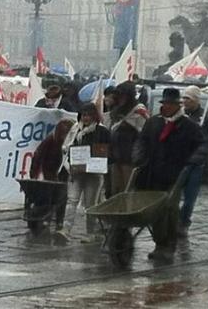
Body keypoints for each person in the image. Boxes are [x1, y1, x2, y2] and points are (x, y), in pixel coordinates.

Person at [133, 88, 203, 260]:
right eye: (166, 104)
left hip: (175, 174)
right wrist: (138, 157)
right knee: (156, 211)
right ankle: (159, 243)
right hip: (152, 172)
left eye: (171, 104)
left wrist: (192, 162)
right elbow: (142, 141)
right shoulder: (153, 123)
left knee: (169, 210)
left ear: (177, 105)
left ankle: (168, 245)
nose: (168, 107)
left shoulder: (188, 126)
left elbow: (200, 147)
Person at [61, 103, 110, 242]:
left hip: (94, 175)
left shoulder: (103, 131)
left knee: (90, 204)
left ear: (94, 116)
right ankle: (66, 229)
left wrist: (99, 162)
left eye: (89, 115)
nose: (86, 118)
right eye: (84, 115)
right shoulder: (75, 130)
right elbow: (66, 147)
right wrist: (70, 157)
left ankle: (90, 233)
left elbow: (108, 152)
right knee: (71, 201)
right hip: (76, 172)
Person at [180, 86, 208, 236]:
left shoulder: (205, 117)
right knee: (174, 195)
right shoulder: (180, 116)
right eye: (184, 98)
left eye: (188, 98)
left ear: (196, 100)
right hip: (179, 161)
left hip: (196, 163)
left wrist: (202, 143)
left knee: (190, 197)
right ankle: (173, 220)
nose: (185, 101)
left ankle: (184, 221)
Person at [30, 119, 75, 234]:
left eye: (66, 134)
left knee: (62, 196)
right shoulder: (50, 140)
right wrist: (34, 175)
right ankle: (47, 218)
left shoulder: (73, 141)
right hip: (50, 170)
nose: (64, 137)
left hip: (65, 171)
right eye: (62, 133)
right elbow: (38, 156)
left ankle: (59, 221)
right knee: (49, 195)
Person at [108, 81, 148, 197]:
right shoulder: (116, 110)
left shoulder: (138, 110)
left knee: (128, 189)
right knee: (116, 189)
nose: (121, 98)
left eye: (123, 95)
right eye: (119, 95)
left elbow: (144, 130)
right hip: (116, 154)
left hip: (130, 155)